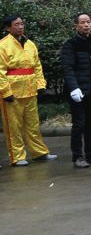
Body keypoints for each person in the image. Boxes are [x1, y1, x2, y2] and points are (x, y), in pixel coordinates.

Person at [0, 15, 57, 166]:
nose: (20, 27)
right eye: (16, 24)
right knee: (14, 126)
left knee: (33, 123)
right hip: (13, 91)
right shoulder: (3, 45)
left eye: (22, 24)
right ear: (8, 28)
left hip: (30, 89)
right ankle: (17, 156)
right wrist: (6, 92)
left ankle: (39, 152)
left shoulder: (30, 44)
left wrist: (41, 85)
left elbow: (37, 66)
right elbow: (0, 71)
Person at [60, 13, 91, 168]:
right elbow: (67, 68)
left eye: (88, 22)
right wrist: (74, 88)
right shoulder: (71, 44)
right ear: (76, 26)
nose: (86, 25)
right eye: (82, 23)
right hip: (78, 91)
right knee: (79, 124)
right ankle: (78, 156)